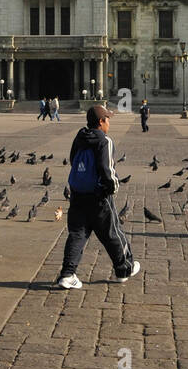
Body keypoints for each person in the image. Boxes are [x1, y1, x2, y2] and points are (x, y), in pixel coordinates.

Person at [57, 104, 138, 289]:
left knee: (77, 234)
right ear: (101, 121)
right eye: (107, 119)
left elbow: (72, 160)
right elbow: (107, 170)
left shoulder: (79, 138)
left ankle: (67, 274)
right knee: (112, 232)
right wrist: (112, 188)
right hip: (98, 195)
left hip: (77, 194)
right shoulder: (104, 141)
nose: (109, 123)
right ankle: (124, 268)